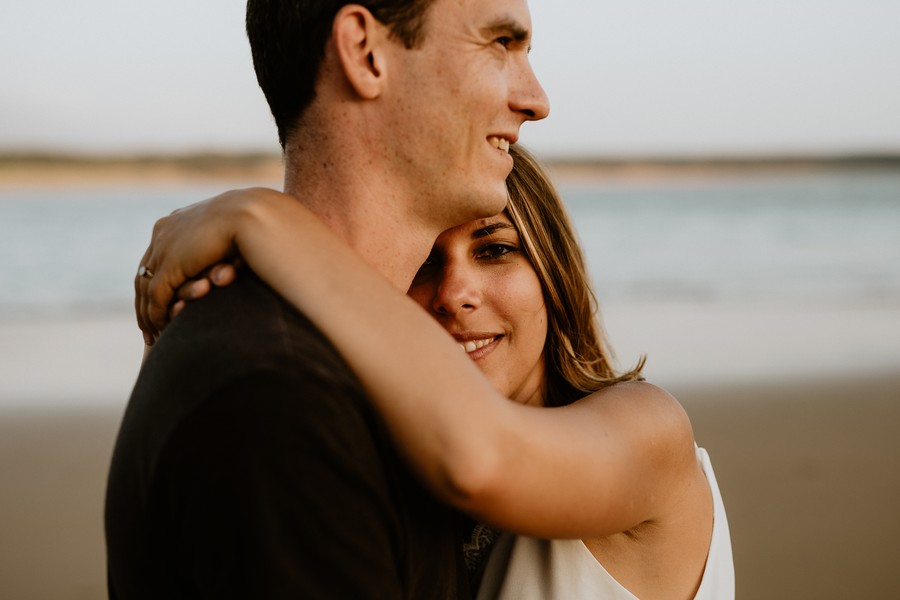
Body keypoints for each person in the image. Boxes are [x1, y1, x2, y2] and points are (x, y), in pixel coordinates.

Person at [136, 145, 734, 599]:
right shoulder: (400, 477)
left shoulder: (648, 430)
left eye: (494, 250)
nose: (454, 293)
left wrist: (262, 217)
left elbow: (482, 459)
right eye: (424, 263)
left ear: (553, 272)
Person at [105, 0, 548, 597]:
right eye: (500, 44)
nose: (536, 98)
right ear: (365, 53)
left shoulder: (381, 381)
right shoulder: (281, 396)